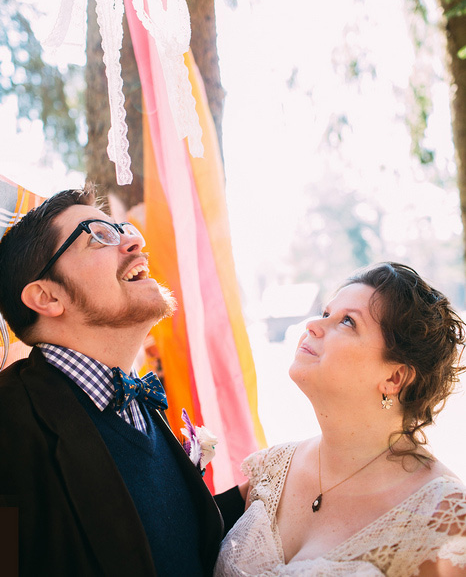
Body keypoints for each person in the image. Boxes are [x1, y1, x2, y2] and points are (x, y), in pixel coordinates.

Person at [0, 187, 242, 576]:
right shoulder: (8, 428)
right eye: (99, 235)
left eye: (123, 229)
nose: (135, 240)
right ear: (47, 297)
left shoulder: (143, 402)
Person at [215, 262, 466, 576]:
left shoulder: (442, 515)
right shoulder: (273, 468)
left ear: (395, 376)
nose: (312, 326)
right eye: (325, 314)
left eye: (348, 321)